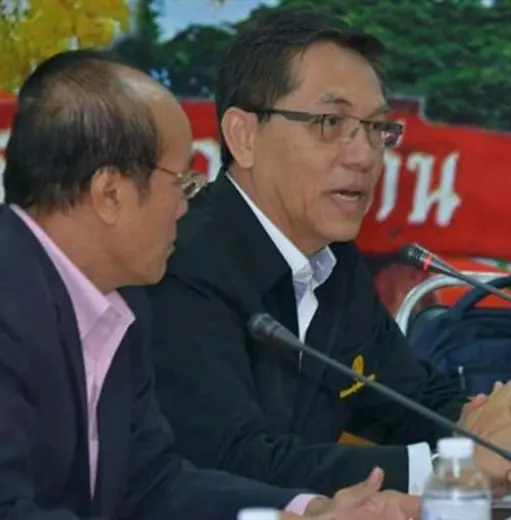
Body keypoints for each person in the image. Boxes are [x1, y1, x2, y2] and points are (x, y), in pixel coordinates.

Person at [147, 8, 511, 499]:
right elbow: (232, 461)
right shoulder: (181, 263)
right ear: (244, 136)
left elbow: (411, 396)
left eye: (377, 128)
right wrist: (451, 466)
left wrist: (495, 426)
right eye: (330, 122)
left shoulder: (332, 260)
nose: (363, 156)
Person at [0, 49, 417, 520]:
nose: (185, 208)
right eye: (180, 183)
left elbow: (153, 484)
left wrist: (309, 511)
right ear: (109, 194)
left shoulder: (120, 302)